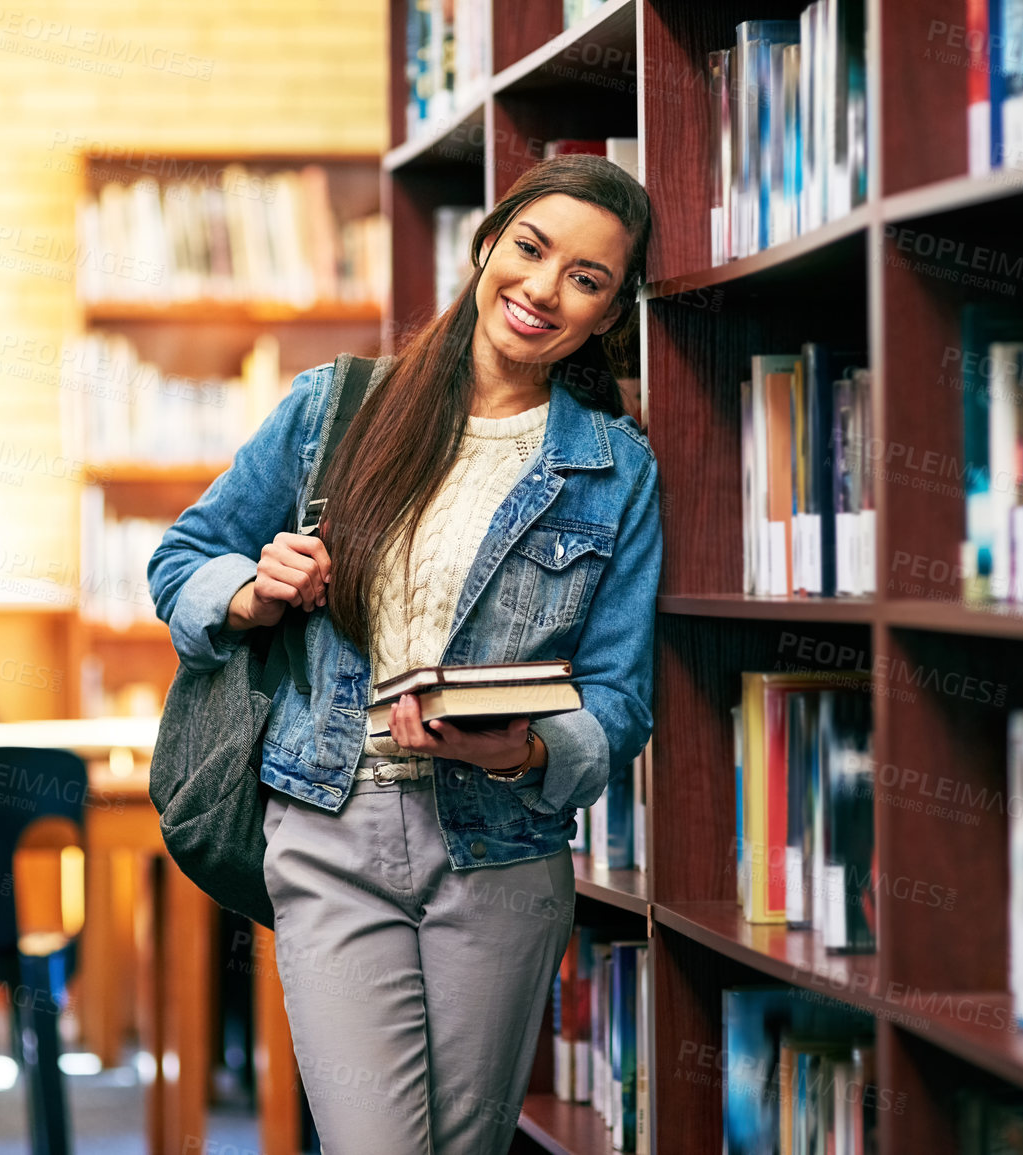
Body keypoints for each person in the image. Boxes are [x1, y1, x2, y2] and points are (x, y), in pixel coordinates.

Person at [148, 154, 660, 1155]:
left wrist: (527, 749)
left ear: (607, 317)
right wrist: (254, 589)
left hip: (503, 850)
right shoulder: (334, 409)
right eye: (532, 249)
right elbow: (182, 560)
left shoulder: (616, 468)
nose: (544, 290)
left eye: (587, 281)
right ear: (486, 247)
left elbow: (621, 701)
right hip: (331, 829)